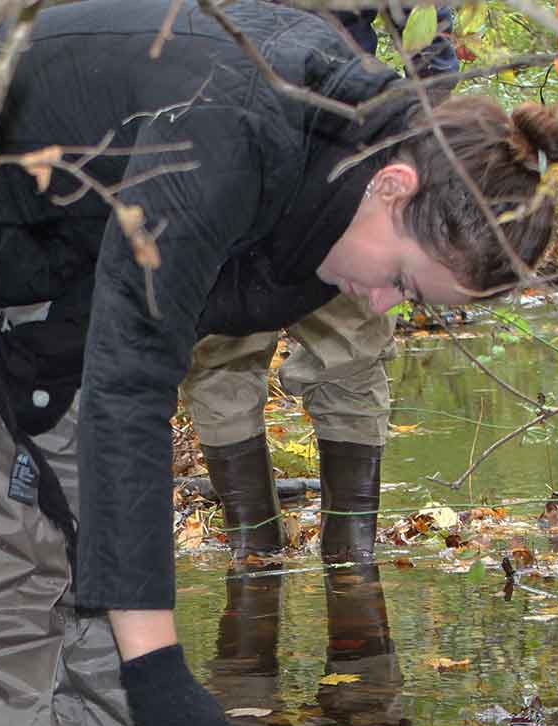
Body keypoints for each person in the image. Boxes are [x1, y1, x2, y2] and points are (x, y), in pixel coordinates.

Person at [0, 0, 558, 726]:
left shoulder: (341, 159)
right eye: (401, 279)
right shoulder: (234, 130)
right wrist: (163, 677)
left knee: (93, 550)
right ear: (394, 187)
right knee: (3, 579)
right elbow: (133, 385)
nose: (381, 307)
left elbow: (150, 355)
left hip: (48, 260)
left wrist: (165, 705)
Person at [187, 3, 459, 564]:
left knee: (340, 350)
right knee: (222, 350)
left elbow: (428, 36)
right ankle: (267, 552)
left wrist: (416, 135)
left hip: (327, 137)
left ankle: (330, 557)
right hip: (228, 127)